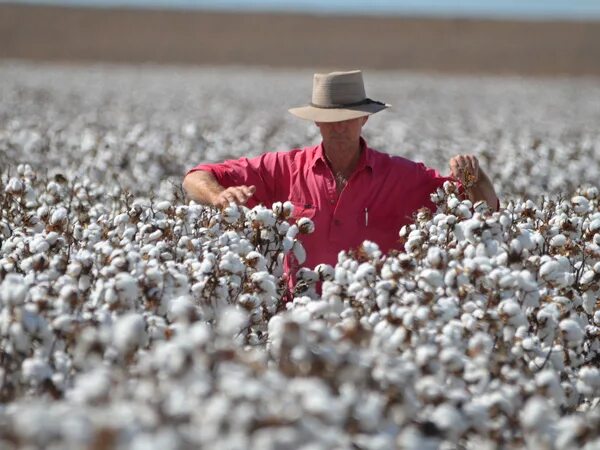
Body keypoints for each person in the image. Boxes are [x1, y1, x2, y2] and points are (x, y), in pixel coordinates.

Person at [183, 70, 499, 276]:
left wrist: (475, 178)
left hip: (373, 320)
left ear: (364, 120)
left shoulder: (401, 177)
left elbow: (481, 214)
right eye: (330, 119)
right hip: (302, 320)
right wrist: (218, 195)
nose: (339, 127)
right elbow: (196, 177)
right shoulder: (287, 169)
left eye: (348, 118)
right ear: (316, 122)